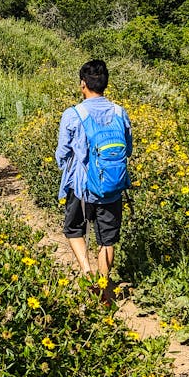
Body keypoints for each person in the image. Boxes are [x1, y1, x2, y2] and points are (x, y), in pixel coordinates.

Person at [55, 59, 132, 303]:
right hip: (113, 187)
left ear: (83, 84)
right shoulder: (120, 112)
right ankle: (104, 286)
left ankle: (87, 274)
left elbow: (62, 154)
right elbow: (127, 150)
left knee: (73, 228)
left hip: (82, 186)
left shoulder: (74, 114)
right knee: (107, 238)